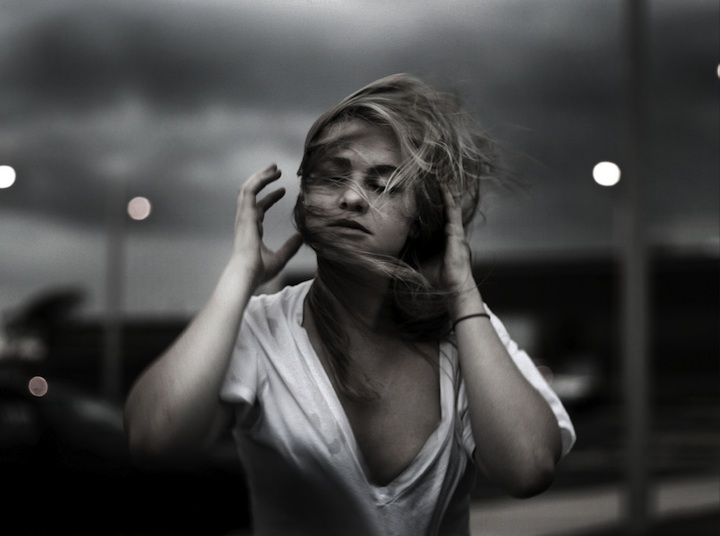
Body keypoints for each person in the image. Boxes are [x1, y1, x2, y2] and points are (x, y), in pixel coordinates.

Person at [123, 73, 576, 536]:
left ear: (419, 218)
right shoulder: (261, 330)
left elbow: (528, 469)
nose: (353, 197)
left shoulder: (466, 335)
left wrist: (462, 291)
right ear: (305, 196)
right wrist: (240, 274)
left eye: (384, 184)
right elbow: (154, 438)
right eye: (333, 176)